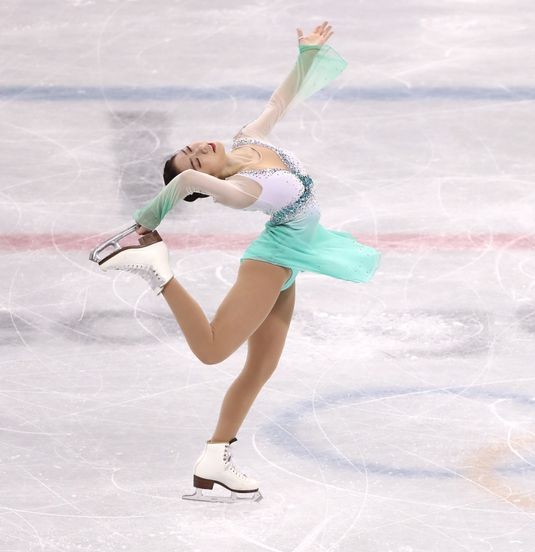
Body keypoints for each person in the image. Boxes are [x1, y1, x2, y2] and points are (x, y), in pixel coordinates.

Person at [97, 21, 380, 503]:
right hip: (272, 261)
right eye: (195, 160)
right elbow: (189, 184)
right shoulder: (241, 191)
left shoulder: (249, 139)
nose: (199, 150)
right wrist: (149, 217)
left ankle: (216, 456)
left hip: (292, 260)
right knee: (213, 350)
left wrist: (307, 56)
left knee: (261, 367)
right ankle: (158, 270)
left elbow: (279, 102)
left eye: (191, 148)